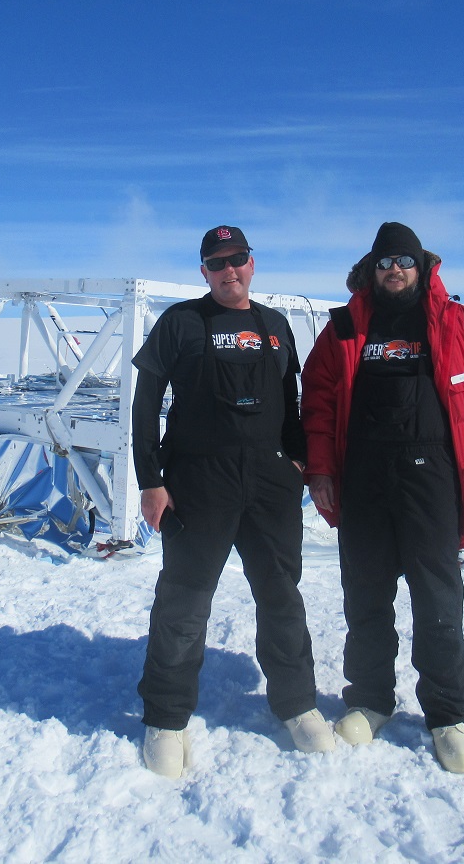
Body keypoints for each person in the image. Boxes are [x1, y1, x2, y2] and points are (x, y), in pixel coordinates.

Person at [300, 222, 464, 773]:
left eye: (403, 261)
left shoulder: (460, 324)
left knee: (438, 599)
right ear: (372, 269)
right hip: (364, 478)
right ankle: (370, 700)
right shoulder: (344, 329)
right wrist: (321, 470)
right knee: (366, 596)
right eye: (384, 263)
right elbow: (319, 402)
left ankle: (447, 715)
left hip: (432, 477)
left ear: (421, 265)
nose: (394, 271)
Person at [131, 225, 336, 778]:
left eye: (238, 259)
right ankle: (167, 716)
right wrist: (150, 479)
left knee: (280, 595)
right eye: (217, 262)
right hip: (199, 481)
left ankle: (297, 704)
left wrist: (299, 462)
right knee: (184, 600)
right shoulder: (180, 323)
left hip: (269, 483)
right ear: (203, 271)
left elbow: (291, 404)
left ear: (252, 263)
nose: (229, 270)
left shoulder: (275, 326)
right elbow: (146, 403)